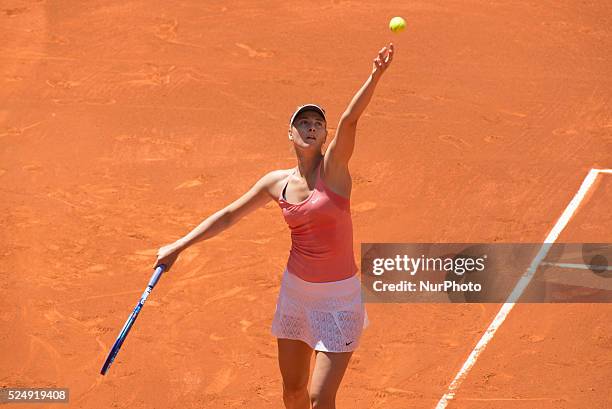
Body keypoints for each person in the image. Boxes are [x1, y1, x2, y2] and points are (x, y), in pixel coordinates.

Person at [154, 43, 394, 409]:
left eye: (317, 124)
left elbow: (350, 120)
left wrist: (375, 75)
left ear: (325, 136)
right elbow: (229, 215)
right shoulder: (275, 182)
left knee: (318, 398)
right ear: (291, 133)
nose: (311, 128)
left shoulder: (335, 172)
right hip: (296, 295)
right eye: (303, 123)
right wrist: (178, 246)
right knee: (293, 393)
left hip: (339, 300)